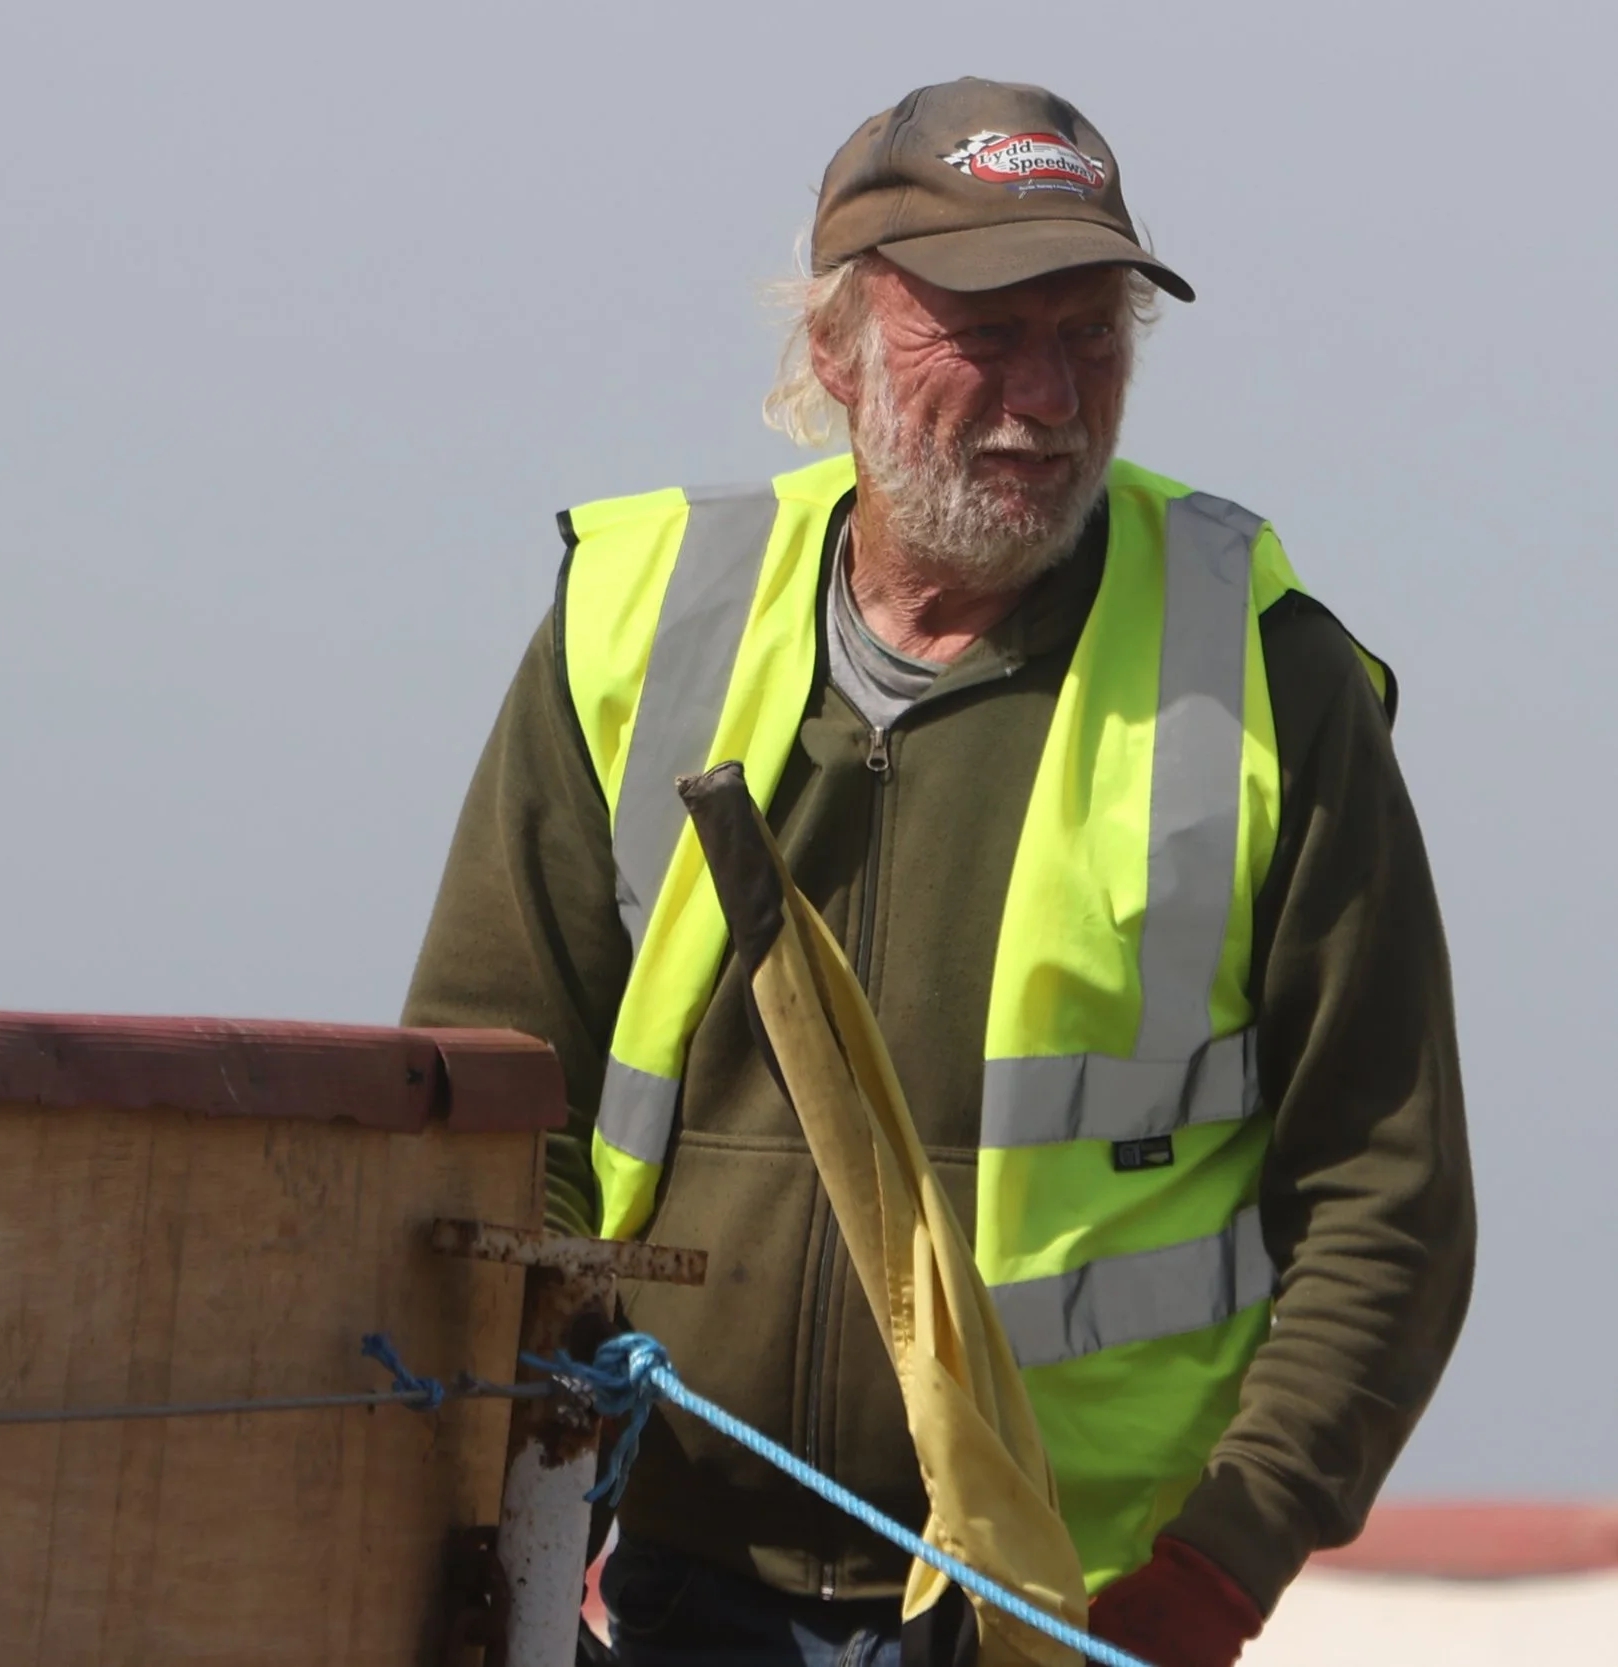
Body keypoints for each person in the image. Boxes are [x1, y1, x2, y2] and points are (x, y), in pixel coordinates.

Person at [402, 78, 1475, 1667]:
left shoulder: (1267, 681)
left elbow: (1387, 1204)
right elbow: (493, 1118)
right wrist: (523, 1469)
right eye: (988, 331)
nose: (1048, 396)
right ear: (832, 350)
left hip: (1075, 1609)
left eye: (1092, 331)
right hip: (680, 1589)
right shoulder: (636, 628)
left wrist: (1221, 1568)